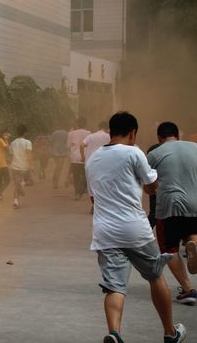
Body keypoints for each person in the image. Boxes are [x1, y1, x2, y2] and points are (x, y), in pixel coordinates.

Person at [86, 111, 186, 343]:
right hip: (135, 230)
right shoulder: (134, 152)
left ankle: (114, 333)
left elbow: (94, 199)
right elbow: (151, 186)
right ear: (133, 133)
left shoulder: (93, 159)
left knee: (115, 287)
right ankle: (170, 333)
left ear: (111, 131)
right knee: (155, 276)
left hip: (105, 232)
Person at [147, 121, 197, 305]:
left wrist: (151, 190)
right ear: (178, 135)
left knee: (169, 248)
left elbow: (148, 183)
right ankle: (194, 245)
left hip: (170, 206)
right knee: (193, 233)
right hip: (196, 202)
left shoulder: (155, 153)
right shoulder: (195, 147)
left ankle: (188, 290)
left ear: (159, 138)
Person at [9, 125, 32, 210]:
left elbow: (11, 155)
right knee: (29, 181)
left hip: (14, 167)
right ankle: (22, 185)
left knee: (17, 185)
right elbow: (29, 154)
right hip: (24, 167)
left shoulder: (12, 143)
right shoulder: (27, 142)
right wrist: (31, 165)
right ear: (25, 133)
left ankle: (15, 201)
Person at [68, 117, 91, 200]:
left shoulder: (71, 133)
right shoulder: (89, 133)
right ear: (86, 124)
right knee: (85, 176)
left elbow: (68, 146)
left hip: (74, 157)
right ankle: (82, 190)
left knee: (76, 176)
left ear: (77, 124)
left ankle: (77, 193)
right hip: (86, 157)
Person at [51, 125, 69, 189]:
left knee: (58, 166)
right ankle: (55, 181)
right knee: (60, 167)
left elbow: (52, 141)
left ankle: (55, 180)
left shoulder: (55, 132)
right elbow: (67, 142)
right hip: (63, 152)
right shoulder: (66, 133)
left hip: (55, 151)